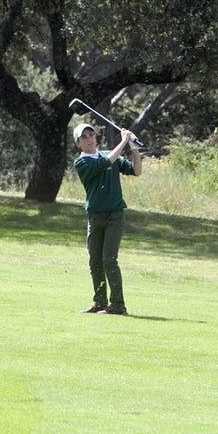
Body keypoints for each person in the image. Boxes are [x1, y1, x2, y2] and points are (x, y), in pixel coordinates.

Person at [72, 122, 142, 315]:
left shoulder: (109, 155)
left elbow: (136, 171)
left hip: (115, 215)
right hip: (95, 217)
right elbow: (104, 163)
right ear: (78, 143)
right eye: (84, 137)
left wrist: (134, 149)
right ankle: (100, 302)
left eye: (91, 135)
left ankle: (118, 304)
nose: (89, 139)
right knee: (95, 261)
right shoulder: (81, 163)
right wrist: (124, 141)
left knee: (109, 259)